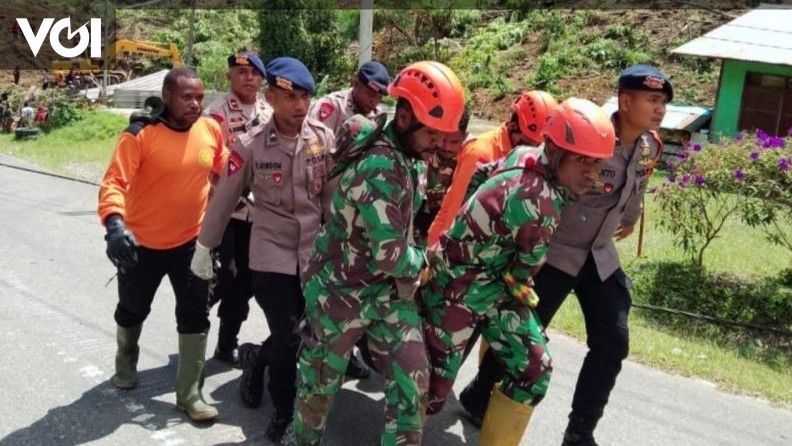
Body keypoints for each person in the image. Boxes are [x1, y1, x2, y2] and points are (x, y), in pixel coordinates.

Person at [460, 64, 671, 446]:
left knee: (613, 340)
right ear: (625, 101)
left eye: (662, 102)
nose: (660, 109)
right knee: (521, 335)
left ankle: (580, 432)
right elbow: (540, 169)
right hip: (553, 252)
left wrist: (630, 217)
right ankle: (479, 394)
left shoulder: (648, 146)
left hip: (599, 256)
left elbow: (636, 189)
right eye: (652, 100)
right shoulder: (585, 133)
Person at [422, 98, 615, 446]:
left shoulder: (525, 154)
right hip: (458, 286)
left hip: (496, 286)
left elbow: (482, 175)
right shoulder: (539, 203)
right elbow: (524, 269)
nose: (592, 173)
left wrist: (472, 222)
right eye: (582, 161)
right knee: (430, 393)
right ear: (556, 151)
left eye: (598, 164)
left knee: (534, 368)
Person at [292, 61, 466, 446]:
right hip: (341, 291)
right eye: (433, 134)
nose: (439, 143)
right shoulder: (381, 166)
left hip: (386, 294)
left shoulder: (409, 157)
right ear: (403, 118)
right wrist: (427, 261)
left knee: (412, 382)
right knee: (319, 388)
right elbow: (391, 255)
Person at [190, 56, 335, 443]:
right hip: (271, 252)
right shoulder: (250, 145)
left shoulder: (323, 137)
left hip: (313, 253)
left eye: (305, 97)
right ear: (272, 96)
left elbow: (332, 201)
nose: (299, 107)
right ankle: (285, 411)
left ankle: (256, 359)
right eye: (290, 98)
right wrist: (204, 249)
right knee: (288, 336)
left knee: (311, 332)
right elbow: (224, 199)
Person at [97, 68, 227, 422]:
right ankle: (126, 360)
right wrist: (114, 223)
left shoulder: (210, 130)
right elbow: (114, 183)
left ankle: (189, 394)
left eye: (199, 97)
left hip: (192, 244)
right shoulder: (140, 135)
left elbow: (225, 171)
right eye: (187, 97)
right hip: (142, 244)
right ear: (167, 96)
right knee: (133, 308)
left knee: (195, 315)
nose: (195, 104)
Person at [307, 59, 391, 380]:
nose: (374, 100)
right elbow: (317, 158)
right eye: (370, 92)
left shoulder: (377, 117)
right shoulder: (330, 107)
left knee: (353, 294)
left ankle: (347, 352)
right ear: (355, 82)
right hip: (323, 206)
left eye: (380, 95)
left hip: (353, 214)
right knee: (322, 294)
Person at [203, 51, 271, 367]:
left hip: (258, 214)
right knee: (225, 273)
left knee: (246, 279)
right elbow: (208, 165)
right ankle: (194, 316)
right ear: (230, 76)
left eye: (253, 73)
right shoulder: (216, 115)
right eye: (241, 72)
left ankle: (226, 342)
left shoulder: (270, 112)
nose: (248, 78)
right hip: (226, 211)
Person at [426, 90, 559, 247]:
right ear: (513, 126)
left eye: (538, 145)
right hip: (452, 244)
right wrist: (440, 253)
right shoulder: (481, 153)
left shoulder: (524, 155)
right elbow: (457, 210)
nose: (533, 149)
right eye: (528, 143)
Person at [413, 108, 471, 245]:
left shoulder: (468, 159)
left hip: (447, 220)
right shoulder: (425, 149)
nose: (446, 147)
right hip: (421, 214)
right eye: (443, 139)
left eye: (454, 142)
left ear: (464, 136)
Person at [309, 60, 389, 134]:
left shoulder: (377, 115)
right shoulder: (333, 106)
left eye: (379, 98)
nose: (374, 102)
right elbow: (314, 144)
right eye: (370, 95)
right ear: (355, 84)